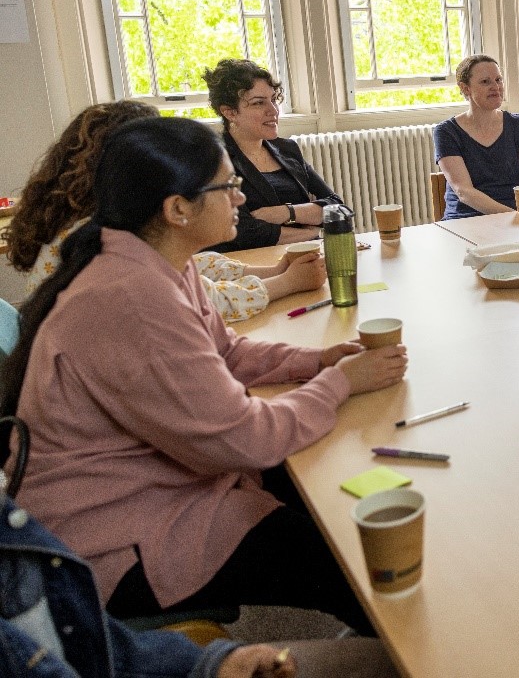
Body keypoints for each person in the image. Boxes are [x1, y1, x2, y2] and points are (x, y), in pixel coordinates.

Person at [0, 117, 408, 633]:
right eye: (228, 186)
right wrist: (341, 382)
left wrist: (317, 361)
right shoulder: (128, 296)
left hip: (150, 488)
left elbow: (226, 352)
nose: (239, 199)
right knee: (346, 556)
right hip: (109, 539)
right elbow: (247, 439)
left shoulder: (159, 259)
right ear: (176, 209)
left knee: (322, 495)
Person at [0, 496, 400, 678]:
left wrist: (210, 664)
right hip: (118, 540)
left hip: (140, 509)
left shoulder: (12, 538)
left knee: (380, 658)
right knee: (293, 540)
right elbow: (235, 433)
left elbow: (100, 650)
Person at [6, 101, 326, 323]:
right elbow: (199, 301)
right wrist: (286, 283)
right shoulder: (98, 236)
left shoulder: (98, 218)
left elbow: (187, 270)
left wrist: (273, 271)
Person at [204, 59, 343, 252]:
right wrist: (313, 233)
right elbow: (244, 231)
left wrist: (286, 212)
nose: (273, 111)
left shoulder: (288, 150)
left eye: (274, 99)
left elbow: (339, 209)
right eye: (259, 103)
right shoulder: (216, 160)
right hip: (250, 263)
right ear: (230, 112)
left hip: (300, 256)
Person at [433, 54, 519, 219]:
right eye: (485, 82)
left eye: (498, 80)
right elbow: (464, 192)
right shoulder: (446, 132)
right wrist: (513, 217)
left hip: (518, 219)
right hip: (466, 220)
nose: (496, 87)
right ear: (465, 88)